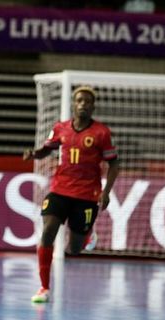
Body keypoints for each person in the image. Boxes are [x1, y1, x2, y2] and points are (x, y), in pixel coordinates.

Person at [23, 85, 119, 303]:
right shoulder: (60, 128)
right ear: (74, 104)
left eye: (87, 101)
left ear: (93, 106)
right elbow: (48, 148)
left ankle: (86, 236)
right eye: (79, 101)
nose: (83, 104)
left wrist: (106, 191)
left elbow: (114, 164)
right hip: (60, 189)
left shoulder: (101, 133)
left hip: (87, 194)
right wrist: (34, 154)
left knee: (74, 249)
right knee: (47, 231)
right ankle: (44, 288)